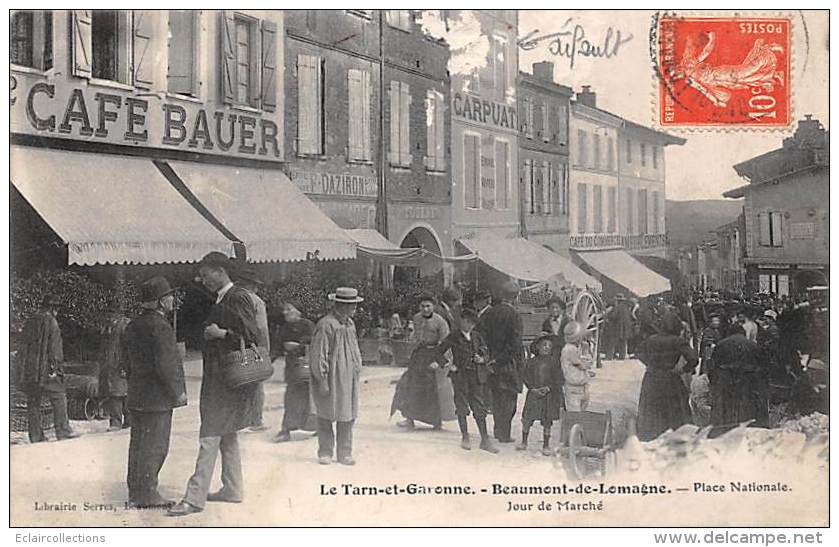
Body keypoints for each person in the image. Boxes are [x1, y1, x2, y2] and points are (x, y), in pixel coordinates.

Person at [169, 252, 261, 516]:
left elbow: (253, 336)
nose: (203, 279)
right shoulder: (223, 298)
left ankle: (194, 498)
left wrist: (222, 334)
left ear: (220, 271)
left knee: (209, 434)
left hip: (227, 380)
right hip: (222, 378)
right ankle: (233, 488)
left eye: (206, 273)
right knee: (226, 433)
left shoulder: (238, 297)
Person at [123, 276, 188, 508]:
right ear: (160, 302)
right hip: (158, 398)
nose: (172, 300)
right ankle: (148, 493)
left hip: (138, 394)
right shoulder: (161, 327)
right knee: (156, 445)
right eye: (169, 296)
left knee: (138, 444)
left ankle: (136, 490)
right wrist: (178, 392)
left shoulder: (132, 325)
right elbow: (166, 364)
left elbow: (126, 362)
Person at [309, 287, 364, 465]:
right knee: (326, 412)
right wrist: (322, 379)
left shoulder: (349, 324)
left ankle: (344, 452)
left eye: (355, 305)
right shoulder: (326, 324)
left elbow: (354, 348)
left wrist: (357, 367)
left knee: (347, 413)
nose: (354, 309)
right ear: (340, 305)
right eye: (351, 306)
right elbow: (319, 353)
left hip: (348, 377)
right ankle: (325, 451)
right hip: (331, 376)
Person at [17, 294, 80, 443]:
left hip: (29, 370)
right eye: (56, 308)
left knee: (33, 401)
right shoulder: (51, 322)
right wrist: (55, 368)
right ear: (53, 308)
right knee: (59, 396)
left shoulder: (31, 320)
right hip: (45, 370)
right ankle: (63, 431)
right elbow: (55, 349)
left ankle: (36, 435)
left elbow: (22, 347)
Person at [433, 308, 497, 453]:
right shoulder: (453, 337)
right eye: (466, 321)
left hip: (476, 376)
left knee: (479, 408)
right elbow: (437, 353)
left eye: (471, 322)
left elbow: (486, 353)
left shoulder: (477, 336)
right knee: (461, 407)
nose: (468, 324)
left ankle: (485, 440)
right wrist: (448, 364)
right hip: (460, 377)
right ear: (461, 320)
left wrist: (482, 359)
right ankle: (465, 437)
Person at [391, 293, 453, 430]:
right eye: (422, 306)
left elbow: (447, 343)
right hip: (419, 355)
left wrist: (440, 362)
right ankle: (409, 419)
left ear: (434, 306)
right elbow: (414, 338)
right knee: (410, 385)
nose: (425, 309)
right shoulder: (416, 318)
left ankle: (436, 422)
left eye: (428, 306)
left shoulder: (440, 321)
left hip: (433, 355)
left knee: (431, 389)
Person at [635, 312, 698, 441]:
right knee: (674, 410)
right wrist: (682, 370)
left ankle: (650, 436)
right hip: (670, 377)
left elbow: (638, 352)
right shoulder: (678, 341)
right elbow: (693, 358)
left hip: (651, 378)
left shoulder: (651, 339)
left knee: (651, 408)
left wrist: (649, 363)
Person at [481, 281, 524, 443]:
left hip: (491, 363)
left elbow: (480, 337)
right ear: (516, 297)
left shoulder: (489, 313)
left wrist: (489, 359)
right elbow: (515, 343)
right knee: (509, 398)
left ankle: (498, 429)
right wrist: (502, 360)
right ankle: (503, 433)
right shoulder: (515, 315)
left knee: (497, 397)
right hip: (508, 363)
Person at [708, 324, 769, 429]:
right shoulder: (753, 345)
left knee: (726, 409)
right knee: (747, 409)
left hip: (726, 381)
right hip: (747, 381)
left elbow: (713, 366)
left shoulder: (721, 344)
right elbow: (763, 367)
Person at [274, 303, 317, 442]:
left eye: (289, 309)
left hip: (307, 366)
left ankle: (319, 427)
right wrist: (269, 360)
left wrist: (299, 347)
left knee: (310, 399)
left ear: (298, 312)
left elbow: (317, 343)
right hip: (292, 368)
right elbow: (278, 345)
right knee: (291, 398)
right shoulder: (284, 328)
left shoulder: (308, 325)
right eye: (284, 310)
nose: (285, 312)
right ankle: (286, 429)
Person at [236, 264, 270, 433]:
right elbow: (262, 328)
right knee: (256, 383)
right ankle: (256, 420)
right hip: (253, 346)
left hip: (234, 345)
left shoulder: (232, 298)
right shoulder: (257, 302)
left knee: (238, 381)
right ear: (250, 284)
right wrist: (265, 350)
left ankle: (238, 420)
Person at [518, 335, 564, 456]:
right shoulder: (531, 362)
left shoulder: (554, 362)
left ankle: (546, 445)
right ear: (537, 347)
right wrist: (532, 388)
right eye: (544, 345)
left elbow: (558, 379)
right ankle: (524, 441)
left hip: (548, 396)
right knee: (527, 419)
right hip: (533, 394)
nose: (546, 348)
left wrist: (549, 388)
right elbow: (526, 377)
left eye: (549, 346)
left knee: (547, 420)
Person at [99, 304, 131, 431]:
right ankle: (117, 421)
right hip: (111, 366)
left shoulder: (124, 325)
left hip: (120, 364)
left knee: (122, 393)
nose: (108, 317)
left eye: (110, 314)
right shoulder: (109, 327)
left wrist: (126, 365)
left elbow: (128, 347)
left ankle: (126, 420)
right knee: (114, 393)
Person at [560, 321, 593, 411]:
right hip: (574, 386)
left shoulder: (572, 348)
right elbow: (584, 365)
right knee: (575, 415)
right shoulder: (570, 349)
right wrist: (586, 352)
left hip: (581, 385)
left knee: (580, 412)